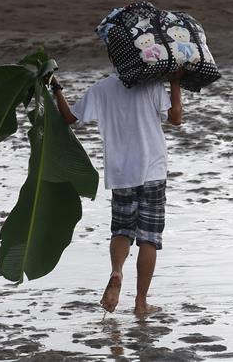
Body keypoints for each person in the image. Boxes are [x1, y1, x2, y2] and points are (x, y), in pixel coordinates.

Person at [51, 70, 183, 317]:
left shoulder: (102, 88)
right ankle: (141, 303)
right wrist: (175, 82)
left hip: (121, 173)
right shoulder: (151, 84)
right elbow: (175, 118)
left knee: (122, 230)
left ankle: (117, 271)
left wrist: (56, 88)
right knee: (149, 238)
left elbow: (69, 117)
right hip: (152, 170)